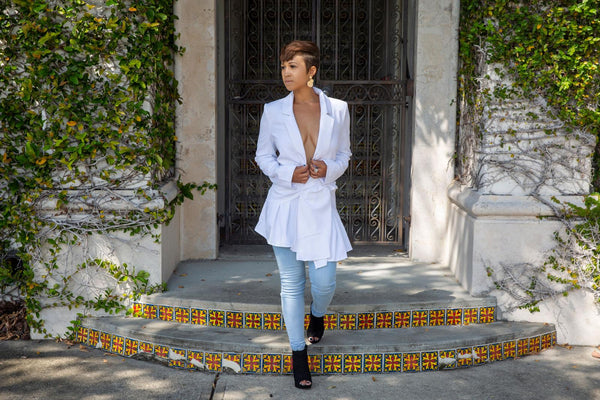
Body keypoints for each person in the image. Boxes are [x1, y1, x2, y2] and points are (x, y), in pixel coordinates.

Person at [254, 40, 352, 389]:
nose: (285, 72)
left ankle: (318, 315)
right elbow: (263, 156)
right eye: (283, 66)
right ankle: (298, 354)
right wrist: (285, 174)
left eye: (292, 66)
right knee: (291, 284)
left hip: (321, 205)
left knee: (325, 282)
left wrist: (329, 169)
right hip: (286, 205)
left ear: (311, 71)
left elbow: (344, 154)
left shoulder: (338, 109)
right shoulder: (272, 111)